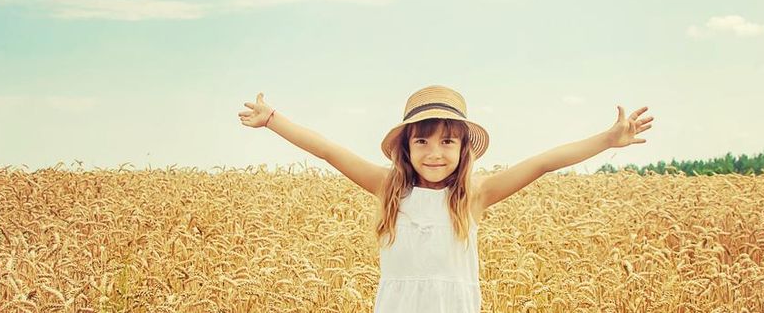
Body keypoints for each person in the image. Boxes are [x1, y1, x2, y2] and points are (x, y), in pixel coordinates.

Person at [237, 85, 653, 312]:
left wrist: (608, 139)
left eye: (448, 142)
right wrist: (273, 120)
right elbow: (328, 150)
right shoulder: (388, 188)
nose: (435, 153)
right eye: (422, 141)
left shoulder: (474, 196)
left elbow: (542, 163)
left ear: (462, 150)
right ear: (406, 147)